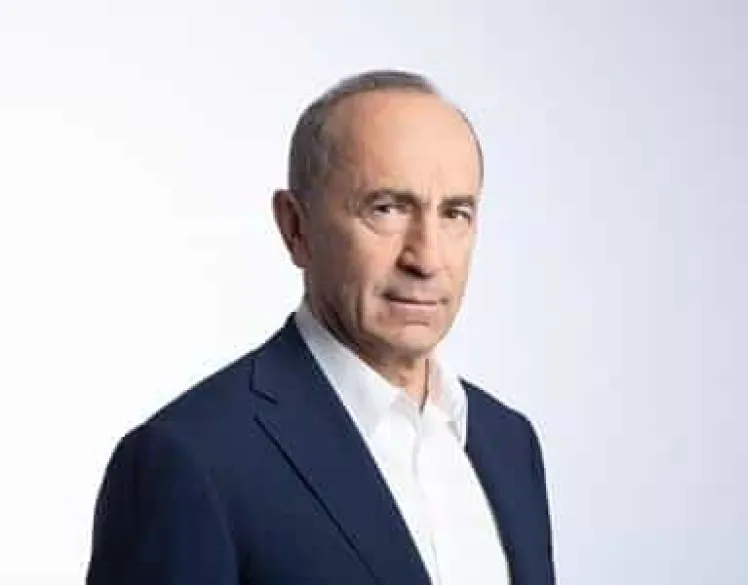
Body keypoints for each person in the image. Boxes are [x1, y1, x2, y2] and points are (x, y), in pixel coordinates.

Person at [86, 69, 556, 585]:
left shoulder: (509, 444)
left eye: (455, 213)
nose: (427, 258)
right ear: (295, 227)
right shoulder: (189, 460)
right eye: (387, 208)